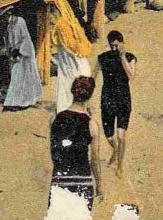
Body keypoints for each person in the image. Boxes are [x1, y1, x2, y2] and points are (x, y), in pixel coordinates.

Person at [47, 76, 101, 218]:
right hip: (82, 181)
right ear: (90, 95)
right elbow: (95, 160)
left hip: (60, 180)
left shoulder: (55, 119)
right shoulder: (92, 124)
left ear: (72, 92)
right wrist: (99, 186)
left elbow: (54, 152)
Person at [42, 0, 93, 113]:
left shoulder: (62, 25)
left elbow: (71, 46)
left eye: (52, 10)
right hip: (70, 64)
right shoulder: (65, 22)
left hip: (73, 65)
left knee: (69, 89)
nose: (50, 14)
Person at [96, 30, 137, 178]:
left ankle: (119, 165)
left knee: (121, 136)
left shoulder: (130, 57)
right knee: (109, 137)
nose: (114, 49)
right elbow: (94, 77)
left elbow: (131, 76)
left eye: (116, 46)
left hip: (123, 99)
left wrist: (122, 57)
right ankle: (116, 150)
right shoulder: (102, 58)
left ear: (122, 44)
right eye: (111, 46)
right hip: (107, 99)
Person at [0, 7, 43, 111]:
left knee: (21, 77)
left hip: (24, 53)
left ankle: (19, 101)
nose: (3, 19)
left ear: (8, 14)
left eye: (4, 16)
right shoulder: (5, 26)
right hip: (14, 55)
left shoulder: (20, 21)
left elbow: (25, 37)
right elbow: (6, 40)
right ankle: (15, 101)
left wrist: (19, 50)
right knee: (16, 77)